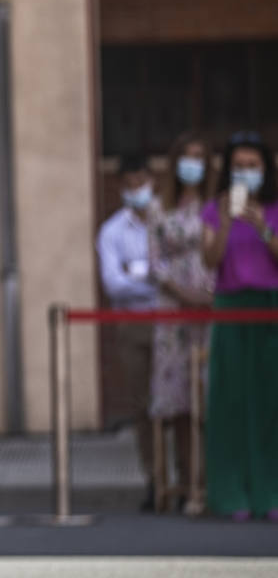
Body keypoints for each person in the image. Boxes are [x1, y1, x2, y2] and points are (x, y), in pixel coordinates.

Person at [200, 131, 278, 521]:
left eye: (253, 166)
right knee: (231, 402)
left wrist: (263, 227)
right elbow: (209, 260)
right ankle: (231, 494)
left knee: (270, 402)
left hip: (270, 308)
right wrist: (228, 224)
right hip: (230, 306)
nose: (246, 173)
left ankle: (271, 493)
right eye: (239, 166)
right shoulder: (214, 210)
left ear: (266, 169)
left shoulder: (274, 209)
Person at [148, 133, 214, 512]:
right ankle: (184, 481)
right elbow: (155, 262)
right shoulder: (161, 208)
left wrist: (209, 295)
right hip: (174, 310)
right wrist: (182, 293)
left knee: (208, 395)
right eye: (187, 157)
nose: (193, 164)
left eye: (200, 156)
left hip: (211, 306)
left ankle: (210, 480)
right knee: (178, 401)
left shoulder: (217, 206)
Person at [96, 154, 161, 508]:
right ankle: (154, 478)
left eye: (143, 182)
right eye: (131, 185)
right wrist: (153, 280)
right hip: (134, 326)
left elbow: (175, 275)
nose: (138, 190)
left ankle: (185, 477)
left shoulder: (168, 221)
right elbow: (114, 284)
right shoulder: (112, 231)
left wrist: (143, 276)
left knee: (179, 405)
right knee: (143, 405)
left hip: (173, 321)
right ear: (121, 188)